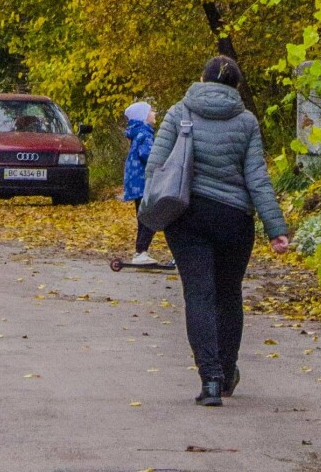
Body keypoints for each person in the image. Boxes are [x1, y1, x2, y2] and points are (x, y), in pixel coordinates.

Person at [142, 55, 289, 406]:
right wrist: (275, 228)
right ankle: (227, 372)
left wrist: (149, 219)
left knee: (199, 295)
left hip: (187, 216)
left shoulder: (179, 112)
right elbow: (258, 178)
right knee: (228, 295)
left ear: (202, 79)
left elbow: (156, 167)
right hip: (234, 220)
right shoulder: (246, 121)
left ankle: (210, 380)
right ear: (235, 87)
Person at [123, 98, 172, 270]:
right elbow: (149, 156)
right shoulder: (145, 134)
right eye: (151, 111)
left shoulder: (139, 133)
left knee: (144, 217)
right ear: (143, 116)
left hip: (137, 183)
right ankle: (141, 251)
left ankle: (140, 251)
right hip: (144, 184)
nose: (154, 114)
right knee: (152, 216)